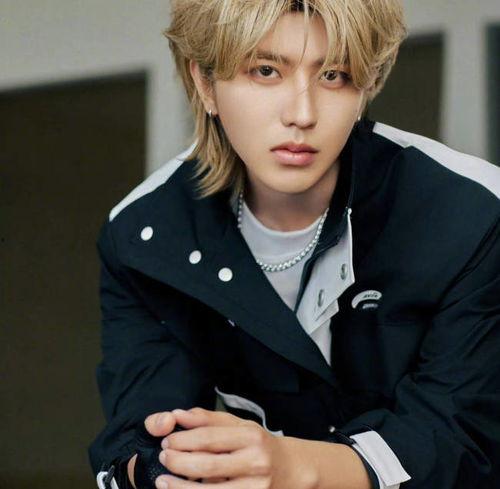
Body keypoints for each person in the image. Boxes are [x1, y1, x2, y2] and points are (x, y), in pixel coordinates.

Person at [88, 0, 500, 488]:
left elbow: (463, 437)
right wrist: (162, 471)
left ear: (368, 83)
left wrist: (293, 467)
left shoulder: (471, 212)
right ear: (205, 83)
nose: (301, 114)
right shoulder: (146, 235)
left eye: (334, 75)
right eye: (265, 71)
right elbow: (137, 434)